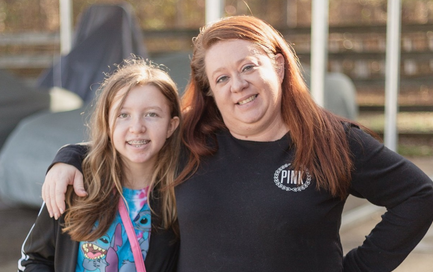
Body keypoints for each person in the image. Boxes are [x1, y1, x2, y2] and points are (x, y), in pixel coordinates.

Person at [42, 16, 433, 271]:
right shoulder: (192, 142)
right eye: (223, 77)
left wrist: (358, 269)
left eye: (249, 67)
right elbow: (132, 140)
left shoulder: (331, 141)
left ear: (278, 66)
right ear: (210, 89)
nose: (239, 85)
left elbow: (419, 195)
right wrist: (69, 158)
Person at [19, 58, 181, 272]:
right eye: (123, 115)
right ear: (107, 122)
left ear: (171, 126)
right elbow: (34, 259)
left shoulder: (182, 193)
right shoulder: (73, 183)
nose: (137, 127)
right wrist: (68, 157)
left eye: (152, 114)